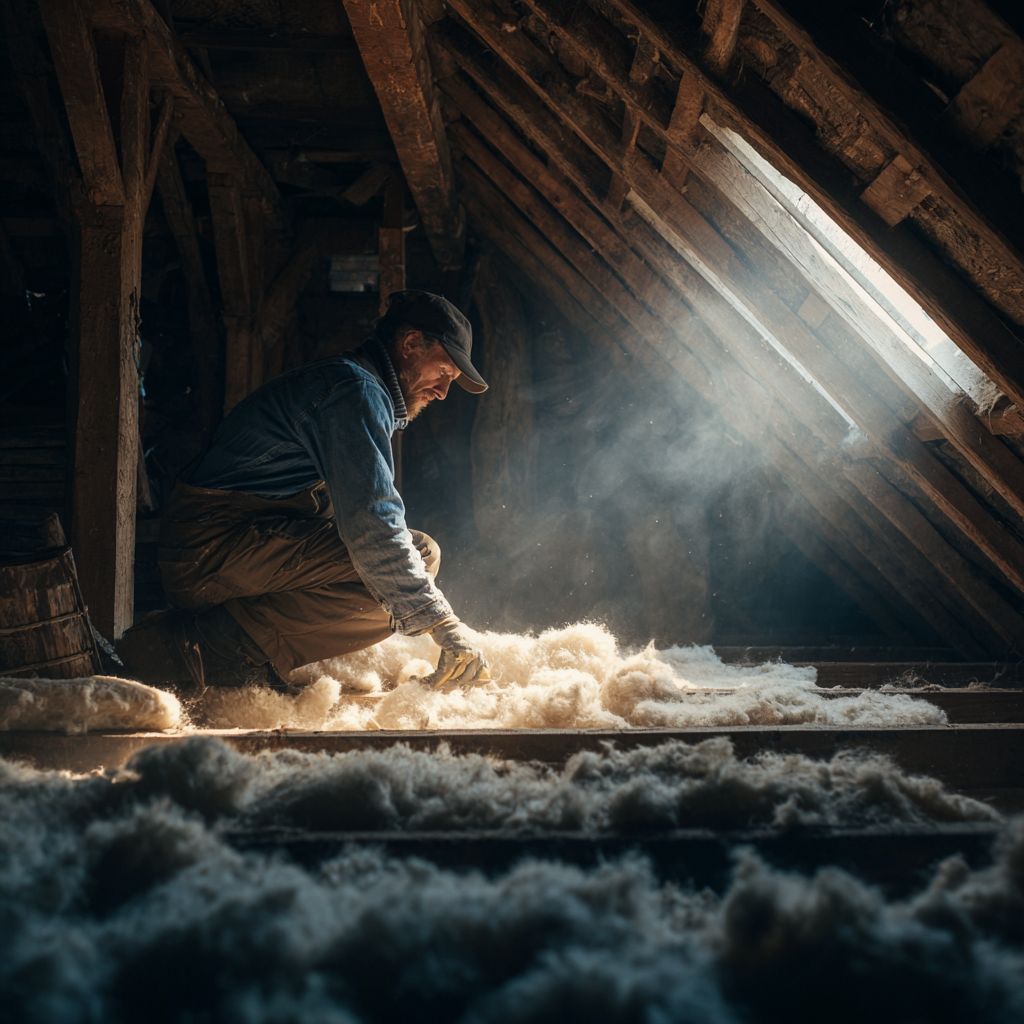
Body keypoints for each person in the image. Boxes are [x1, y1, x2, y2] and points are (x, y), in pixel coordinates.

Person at [118, 290, 489, 695]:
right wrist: (442, 622)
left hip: (224, 545)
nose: (442, 392)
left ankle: (231, 638)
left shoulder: (355, 384)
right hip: (210, 549)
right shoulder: (355, 392)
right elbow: (373, 525)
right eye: (443, 372)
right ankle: (206, 648)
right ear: (410, 343)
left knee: (412, 566)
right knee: (410, 561)